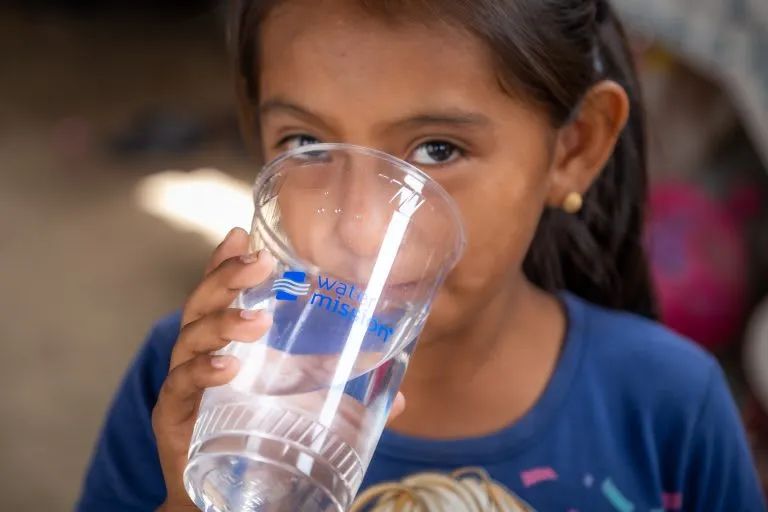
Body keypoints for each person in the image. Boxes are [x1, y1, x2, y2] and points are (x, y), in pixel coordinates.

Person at [77, 0, 767, 510]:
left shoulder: (669, 408)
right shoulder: (195, 383)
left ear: (574, 148)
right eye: (303, 146)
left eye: (438, 150)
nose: (362, 228)